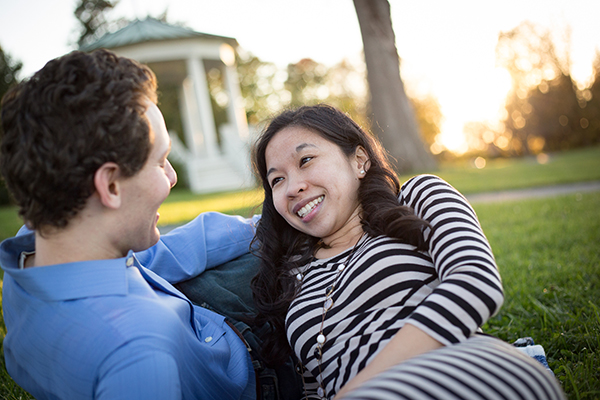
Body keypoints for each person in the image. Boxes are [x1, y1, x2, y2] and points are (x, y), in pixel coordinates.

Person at [0, 49, 268, 399]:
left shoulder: (41, 250)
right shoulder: (138, 350)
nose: (172, 176)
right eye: (160, 162)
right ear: (110, 185)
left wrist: (258, 227)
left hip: (198, 319)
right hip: (258, 364)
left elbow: (161, 254)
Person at [250, 104, 565, 400]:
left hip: (468, 369)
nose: (292, 187)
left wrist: (357, 391)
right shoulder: (292, 270)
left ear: (359, 160)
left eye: (305, 161)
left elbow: (474, 284)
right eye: (277, 179)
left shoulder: (417, 199)